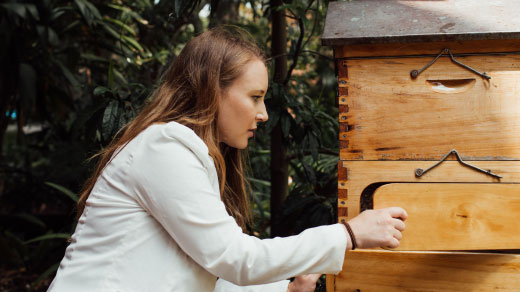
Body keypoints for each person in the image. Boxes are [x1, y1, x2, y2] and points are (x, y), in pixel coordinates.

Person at [47, 26, 407, 292]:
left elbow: (206, 279)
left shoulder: (180, 152)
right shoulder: (164, 148)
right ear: (211, 91)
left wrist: (286, 289)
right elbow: (235, 259)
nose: (264, 114)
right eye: (255, 97)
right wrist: (348, 233)